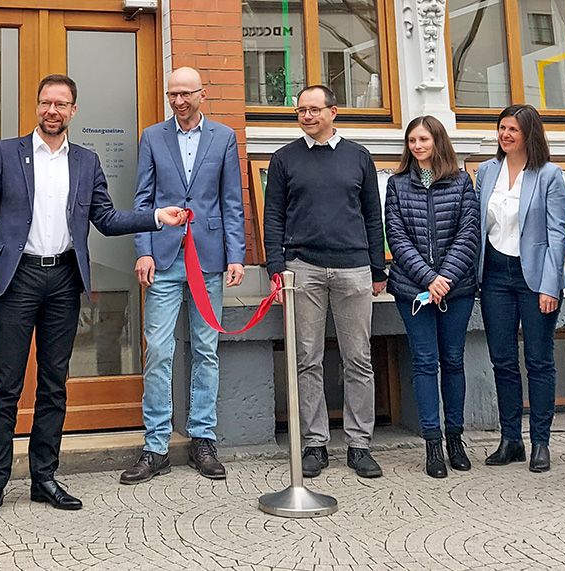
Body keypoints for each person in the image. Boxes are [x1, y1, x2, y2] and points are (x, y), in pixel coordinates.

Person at [0, 74, 187, 521]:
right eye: (46, 102)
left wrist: (155, 218)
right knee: (6, 387)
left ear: (73, 111)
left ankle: (44, 477)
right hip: (17, 278)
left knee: (54, 384)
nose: (53, 110)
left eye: (61, 104)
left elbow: (105, 218)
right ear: (36, 106)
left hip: (65, 278)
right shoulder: (7, 153)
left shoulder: (85, 162)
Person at [120, 67, 245, 485]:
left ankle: (203, 438)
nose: (178, 101)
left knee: (206, 350)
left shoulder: (224, 138)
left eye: (185, 94)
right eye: (172, 94)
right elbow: (143, 199)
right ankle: (155, 445)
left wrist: (236, 255)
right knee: (158, 349)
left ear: (201, 95)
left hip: (209, 259)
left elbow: (231, 201)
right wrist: (143, 251)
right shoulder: (153, 137)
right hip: (165, 257)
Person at [263, 85, 386, 479]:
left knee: (359, 359)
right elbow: (274, 218)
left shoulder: (359, 157)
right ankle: (314, 443)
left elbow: (372, 216)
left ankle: (359, 444)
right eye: (301, 111)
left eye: (314, 110)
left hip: (354, 270)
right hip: (302, 270)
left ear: (334, 112)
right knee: (306, 360)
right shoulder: (284, 160)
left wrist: (378, 269)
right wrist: (275, 268)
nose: (307, 116)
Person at [385, 116, 480, 478]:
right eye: (412, 141)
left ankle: (455, 438)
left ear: (438, 141)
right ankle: (432, 444)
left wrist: (446, 279)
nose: (417, 146)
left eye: (423, 139)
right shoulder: (397, 185)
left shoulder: (460, 182)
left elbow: (468, 234)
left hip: (457, 290)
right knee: (424, 362)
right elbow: (396, 236)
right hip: (413, 290)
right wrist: (428, 278)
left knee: (453, 361)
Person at [478, 104, 565, 473]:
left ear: (529, 133)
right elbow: (477, 224)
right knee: (502, 360)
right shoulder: (486, 171)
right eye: (501, 128)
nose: (505, 135)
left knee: (539, 360)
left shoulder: (548, 175)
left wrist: (550, 286)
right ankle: (510, 439)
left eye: (513, 129)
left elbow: (557, 233)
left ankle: (541, 442)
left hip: (535, 278)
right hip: (496, 274)